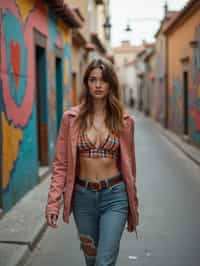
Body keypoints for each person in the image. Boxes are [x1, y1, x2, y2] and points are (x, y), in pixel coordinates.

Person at [45, 58, 139, 266]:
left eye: (103, 80)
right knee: (91, 259)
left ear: (111, 84)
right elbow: (61, 164)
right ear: (86, 83)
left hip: (115, 196)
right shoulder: (71, 119)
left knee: (103, 262)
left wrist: (134, 206)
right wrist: (53, 203)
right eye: (93, 79)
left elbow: (130, 167)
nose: (98, 85)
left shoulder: (124, 121)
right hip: (83, 198)